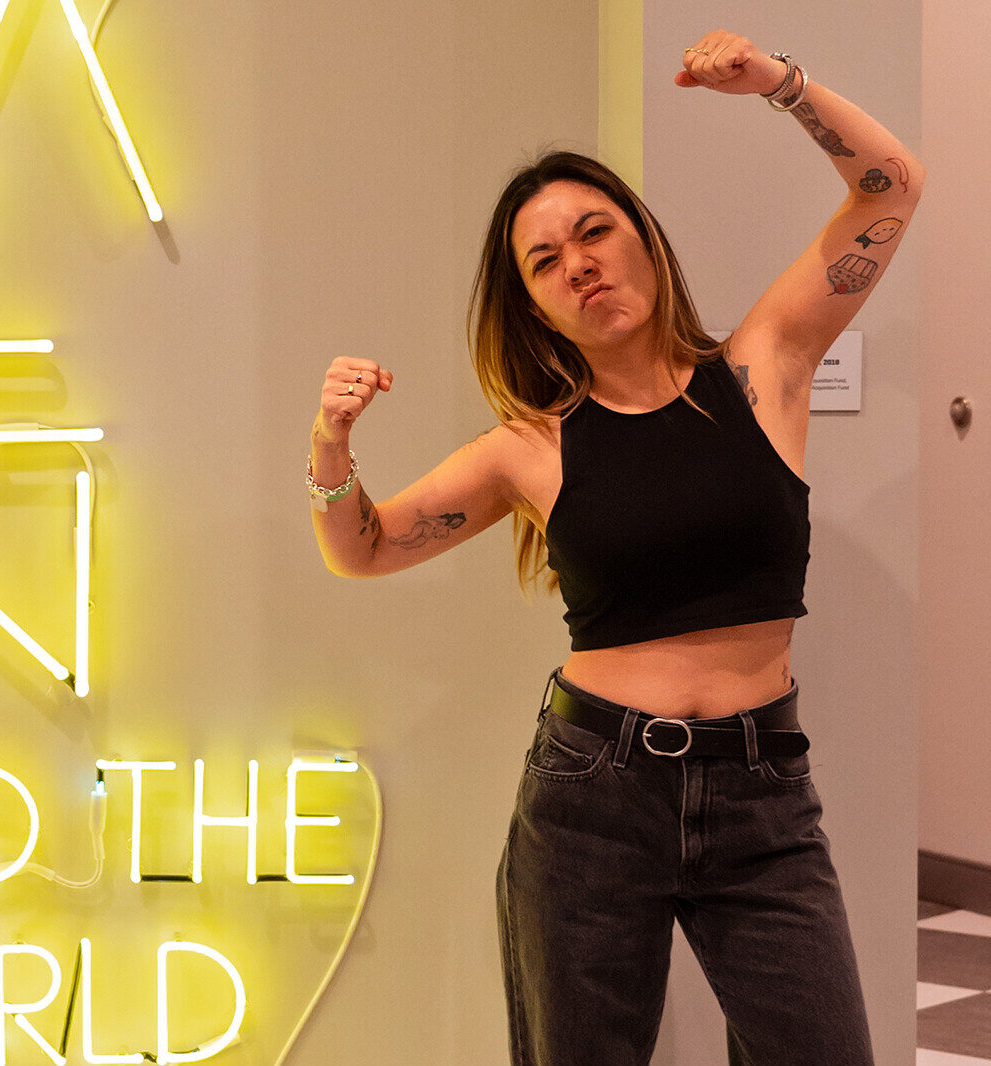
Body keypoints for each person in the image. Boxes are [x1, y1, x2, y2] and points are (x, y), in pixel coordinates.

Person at [305, 32, 917, 1065]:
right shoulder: (527, 450)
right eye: (545, 260)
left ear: (644, 237)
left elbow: (889, 184)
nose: (578, 263)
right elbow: (361, 549)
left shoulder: (764, 367)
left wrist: (776, 82)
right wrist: (330, 443)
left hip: (765, 793)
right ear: (533, 304)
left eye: (595, 231)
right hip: (593, 794)